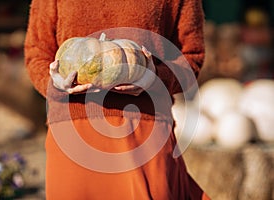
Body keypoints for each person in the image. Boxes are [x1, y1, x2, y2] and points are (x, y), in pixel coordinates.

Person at [24, 0, 210, 199]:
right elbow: (37, 53)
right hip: (72, 130)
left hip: (144, 130)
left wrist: (155, 76)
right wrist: (55, 83)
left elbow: (191, 57)